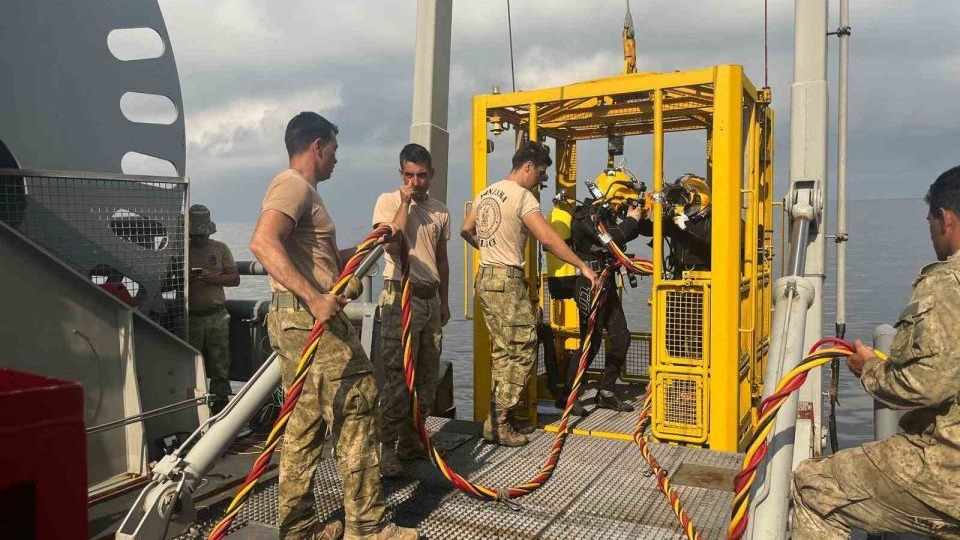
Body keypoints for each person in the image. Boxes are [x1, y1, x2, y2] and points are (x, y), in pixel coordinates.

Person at [250, 112, 417, 540]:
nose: (337, 159)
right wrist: (314, 298)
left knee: (304, 422)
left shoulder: (305, 194)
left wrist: (368, 243)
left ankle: (299, 528)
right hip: (309, 319)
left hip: (293, 319)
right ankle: (368, 527)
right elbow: (263, 242)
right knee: (358, 402)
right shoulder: (293, 185)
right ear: (317, 146)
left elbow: (321, 261)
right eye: (335, 150)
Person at [791, 166, 960, 540]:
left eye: (930, 221)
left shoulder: (946, 283)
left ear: (945, 218)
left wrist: (868, 368)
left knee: (814, 485)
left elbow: (927, 385)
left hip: (949, 474)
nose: (931, 230)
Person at [461, 141, 600, 447]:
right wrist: (582, 266)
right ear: (527, 166)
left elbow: (466, 229)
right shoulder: (522, 197)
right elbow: (548, 239)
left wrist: (489, 250)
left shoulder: (486, 193)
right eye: (540, 173)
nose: (540, 180)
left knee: (503, 351)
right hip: (507, 280)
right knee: (524, 348)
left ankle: (498, 419)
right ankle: (498, 422)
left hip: (485, 277)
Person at [372, 143, 450, 478]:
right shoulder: (389, 202)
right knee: (398, 380)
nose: (415, 182)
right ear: (401, 174)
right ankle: (386, 447)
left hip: (429, 300)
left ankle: (411, 440)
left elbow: (442, 260)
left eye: (421, 176)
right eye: (409, 175)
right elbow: (392, 242)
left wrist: (444, 301)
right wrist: (404, 203)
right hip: (400, 297)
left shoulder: (440, 212)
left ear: (431, 175)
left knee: (427, 379)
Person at [554, 174, 646, 416]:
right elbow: (614, 237)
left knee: (622, 337)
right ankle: (567, 397)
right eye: (622, 201)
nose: (621, 207)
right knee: (590, 343)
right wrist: (632, 219)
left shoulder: (604, 216)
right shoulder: (587, 216)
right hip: (589, 285)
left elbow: (625, 233)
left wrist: (640, 218)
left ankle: (606, 391)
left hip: (606, 282)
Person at [187, 204, 239, 415]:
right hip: (190, 317)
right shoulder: (180, 250)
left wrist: (212, 278)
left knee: (220, 363)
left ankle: (220, 404)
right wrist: (185, 277)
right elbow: (166, 281)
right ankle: (192, 404)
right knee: (190, 363)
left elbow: (234, 278)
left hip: (216, 315)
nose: (198, 239)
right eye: (194, 235)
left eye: (201, 235)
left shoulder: (220, 249)